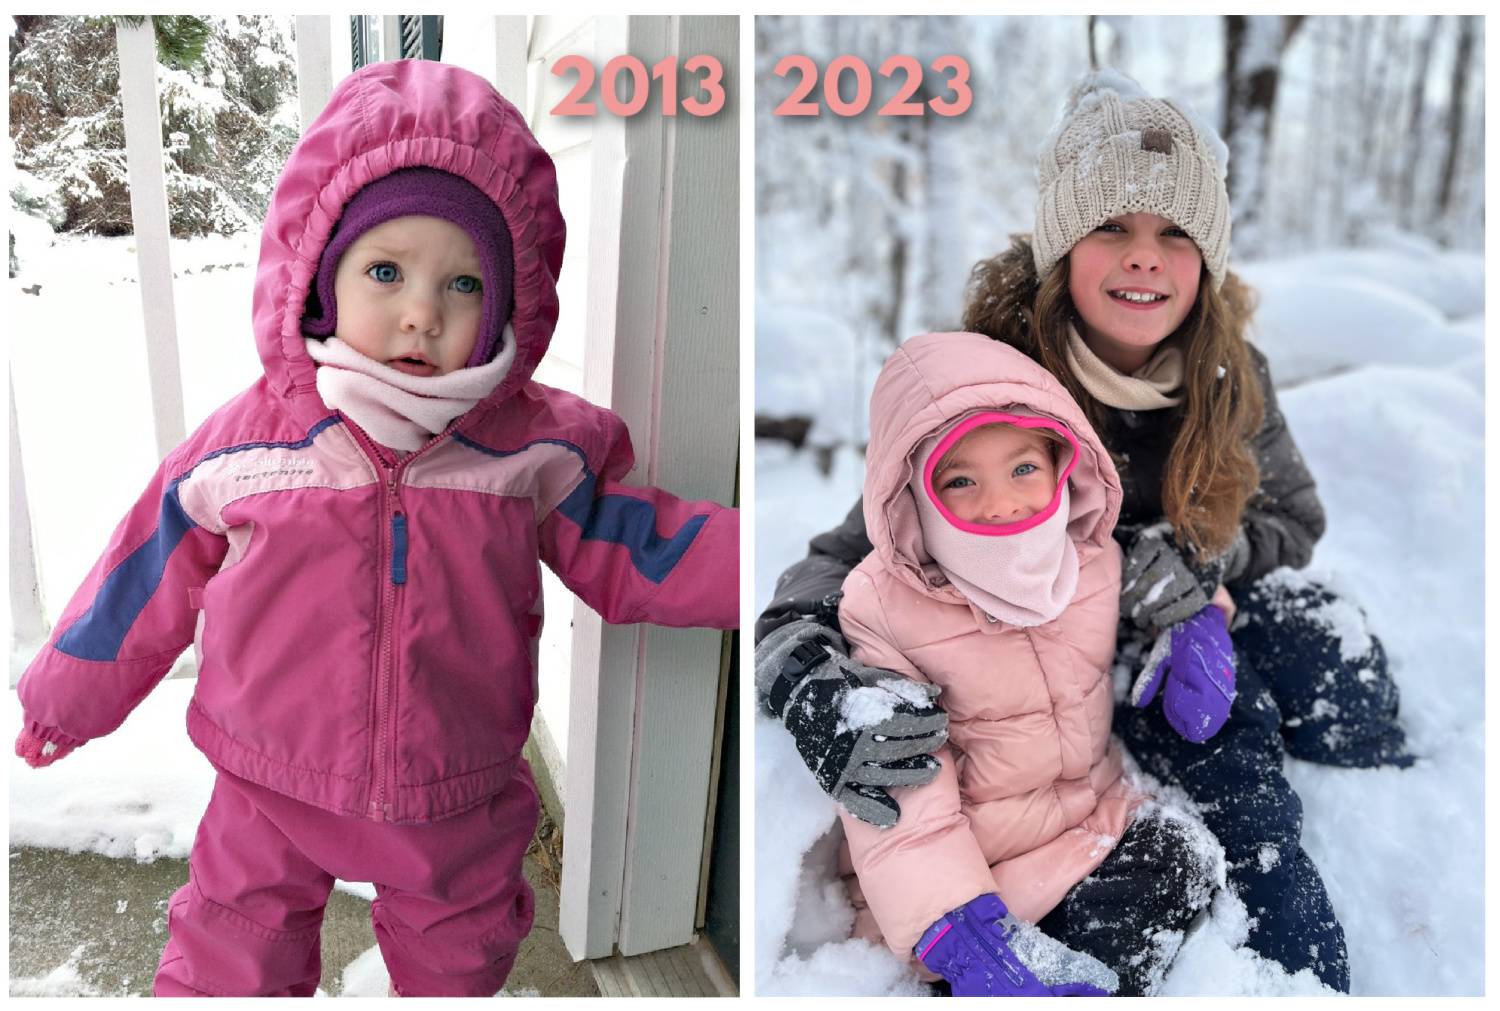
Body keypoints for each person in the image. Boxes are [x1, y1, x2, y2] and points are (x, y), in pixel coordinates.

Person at [15, 59, 738, 998]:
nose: (420, 311)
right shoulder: (251, 446)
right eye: (386, 270)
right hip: (267, 777)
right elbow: (143, 572)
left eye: (465, 283)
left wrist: (779, 562)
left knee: (461, 954)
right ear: (320, 276)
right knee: (232, 952)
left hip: (456, 788)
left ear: (512, 299)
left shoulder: (531, 452)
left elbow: (645, 546)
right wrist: (66, 693)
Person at [757, 70, 1411, 992]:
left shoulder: (1228, 372)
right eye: (1112, 226)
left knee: (1323, 668)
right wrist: (798, 666)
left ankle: (1376, 779)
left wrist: (1190, 561)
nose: (1145, 257)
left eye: (1175, 233)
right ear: (1062, 247)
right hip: (1053, 654)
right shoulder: (1004, 381)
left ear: (1208, 259)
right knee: (1230, 742)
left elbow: (1293, 518)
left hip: (1187, 616)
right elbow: (864, 546)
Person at [832, 331, 1225, 996]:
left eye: (1022, 469)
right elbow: (901, 781)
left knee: (1192, 855)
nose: (1003, 503)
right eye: (960, 480)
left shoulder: (1088, 551)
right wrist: (953, 923)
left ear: (1061, 463)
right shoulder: (887, 606)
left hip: (1095, 819)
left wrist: (1204, 619)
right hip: (986, 884)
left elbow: (1166, 581)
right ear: (916, 494)